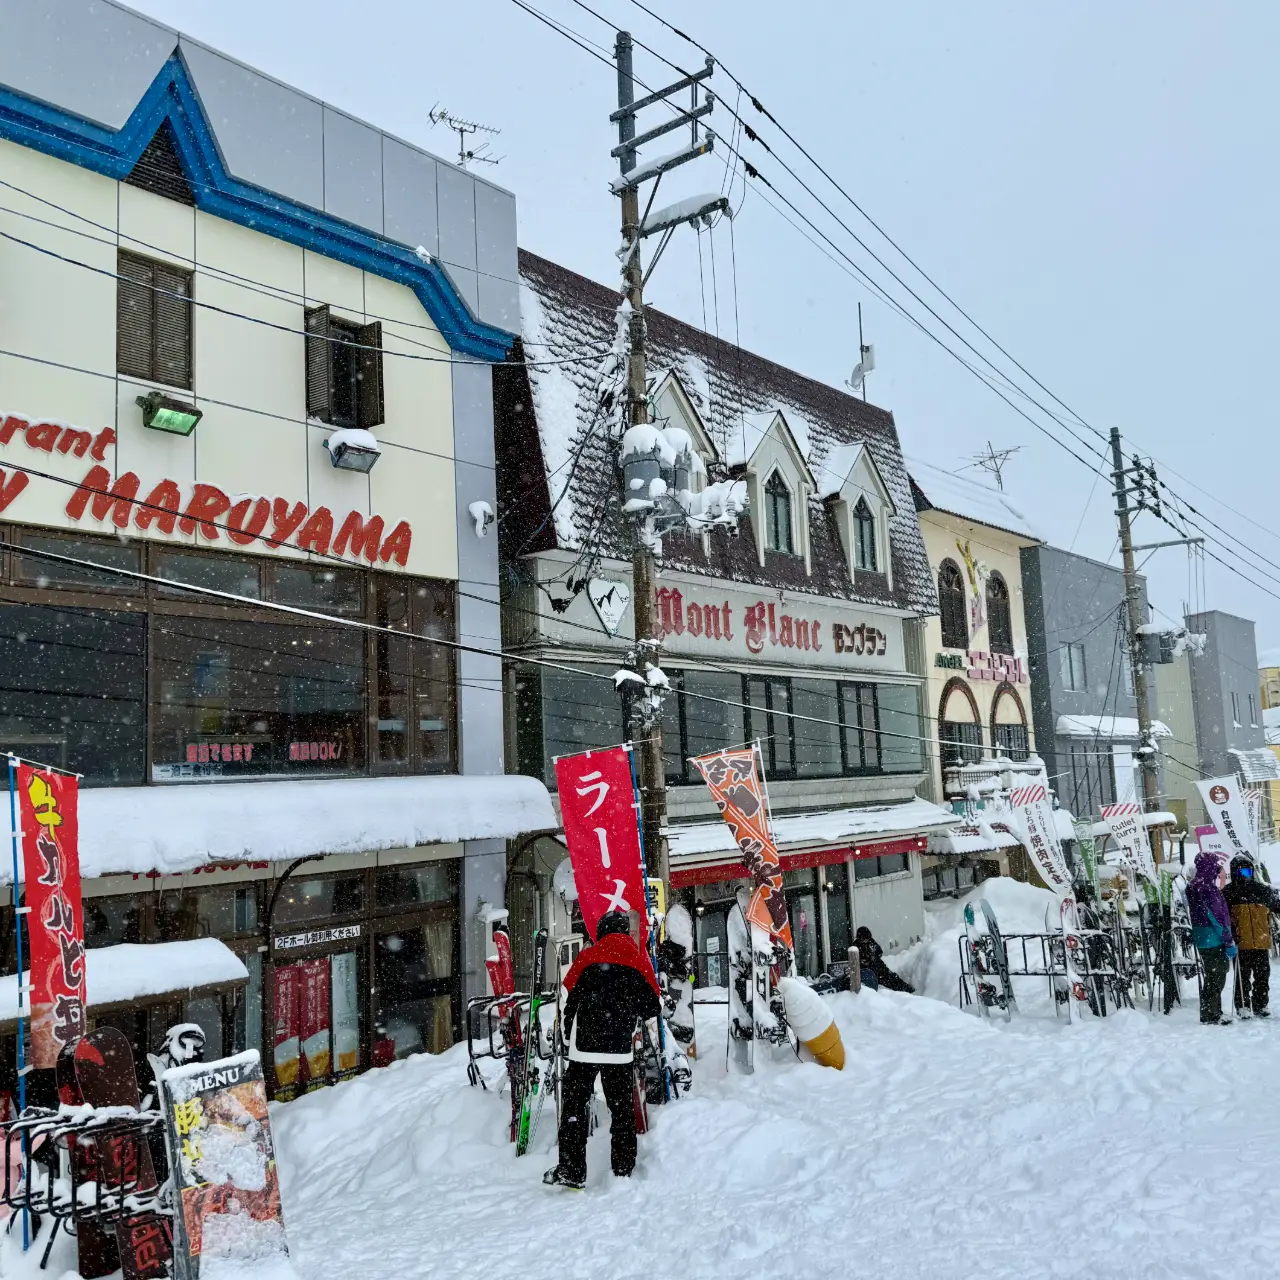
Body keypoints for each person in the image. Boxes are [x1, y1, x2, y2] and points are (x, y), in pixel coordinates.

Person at [544, 910, 660, 1190]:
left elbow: (571, 997)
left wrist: (567, 1037)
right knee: (621, 1112)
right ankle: (622, 1170)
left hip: (584, 1049)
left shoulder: (588, 957)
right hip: (619, 1051)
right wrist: (628, 1005)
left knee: (574, 1106)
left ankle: (572, 1170)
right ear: (624, 931)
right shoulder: (637, 961)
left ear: (601, 932)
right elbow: (652, 1008)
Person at [1224, 855, 1280, 1018]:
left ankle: (1260, 1004)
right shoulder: (1228, 892)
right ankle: (1242, 1006)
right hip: (1241, 942)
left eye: (1249, 872)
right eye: (1242, 872)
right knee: (1242, 977)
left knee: (1263, 975)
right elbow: (1224, 917)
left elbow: (1276, 906)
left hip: (1261, 941)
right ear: (1234, 872)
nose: (1245, 876)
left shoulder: (1261, 890)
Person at [1186, 850, 1237, 1025]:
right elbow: (1217, 917)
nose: (1217, 869)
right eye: (1214, 865)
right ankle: (1211, 1014)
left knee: (1212, 975)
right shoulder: (1207, 888)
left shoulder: (1193, 886)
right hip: (1213, 937)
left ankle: (1213, 1011)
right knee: (1217, 976)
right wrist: (1228, 939)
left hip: (1202, 937)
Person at [854, 926, 915, 994]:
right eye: (863, 938)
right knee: (883, 981)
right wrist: (862, 961)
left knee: (892, 977)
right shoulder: (855, 946)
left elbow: (879, 952)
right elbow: (853, 959)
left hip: (877, 965)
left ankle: (907, 989)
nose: (865, 940)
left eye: (866, 938)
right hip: (867, 970)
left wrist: (873, 957)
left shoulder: (871, 942)